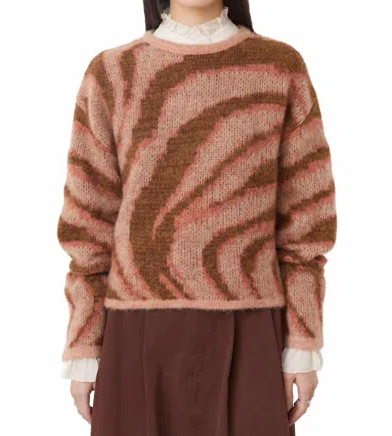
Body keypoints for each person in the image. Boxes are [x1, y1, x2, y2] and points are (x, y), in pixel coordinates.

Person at [57, 0, 337, 434]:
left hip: (253, 331)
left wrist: (303, 341)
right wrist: (83, 345)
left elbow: (307, 223)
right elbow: (88, 226)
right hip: (133, 331)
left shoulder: (280, 68)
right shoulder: (112, 73)